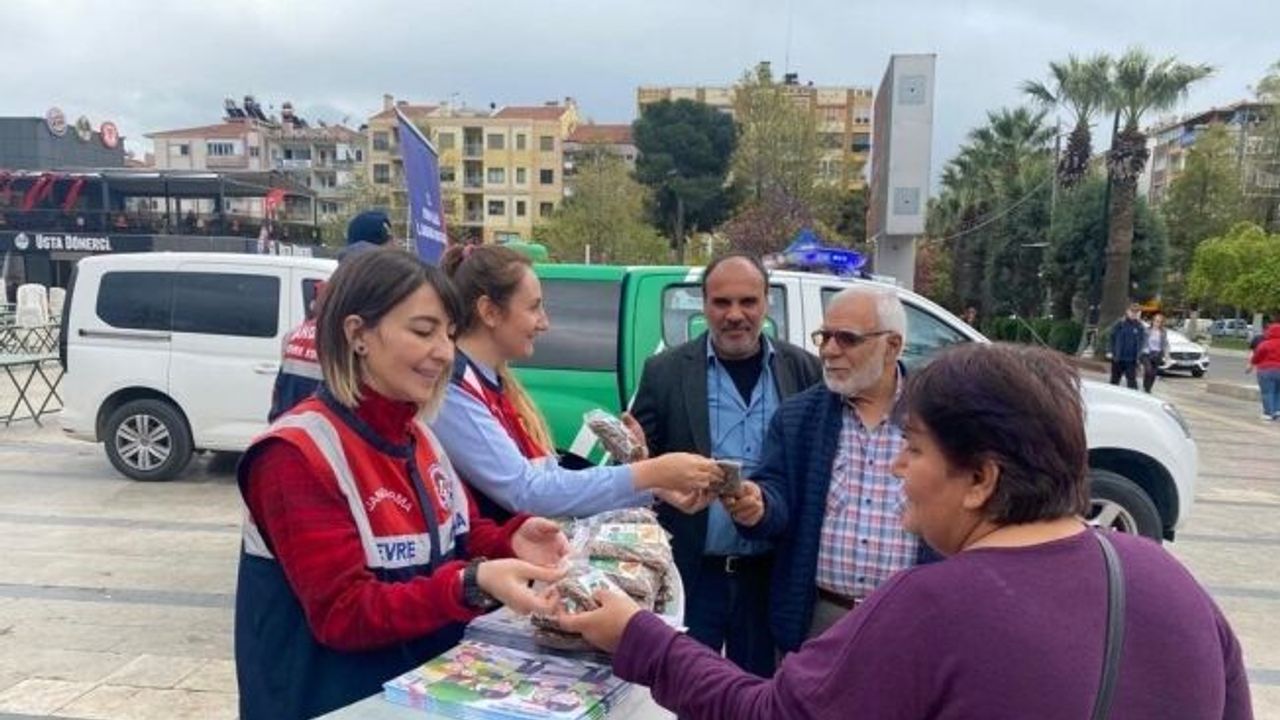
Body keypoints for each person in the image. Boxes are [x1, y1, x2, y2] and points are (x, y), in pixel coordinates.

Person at [558, 343, 1253, 720]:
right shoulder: (1168, 579)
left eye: (915, 449)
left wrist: (638, 636)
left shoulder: (930, 607)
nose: (896, 466)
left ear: (980, 478)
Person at [235, 248, 571, 720]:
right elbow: (344, 614)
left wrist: (510, 539)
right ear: (358, 335)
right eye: (422, 331)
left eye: (449, 335)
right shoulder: (296, 454)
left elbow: (459, 534)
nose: (444, 352)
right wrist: (469, 585)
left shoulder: (420, 436)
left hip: (417, 697)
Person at [630, 254, 822, 677]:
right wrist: (638, 454)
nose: (735, 315)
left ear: (766, 303)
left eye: (748, 301)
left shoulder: (804, 370)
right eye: (722, 303)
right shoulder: (664, 372)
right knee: (686, 690)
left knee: (758, 697)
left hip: (768, 577)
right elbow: (643, 468)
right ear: (704, 305)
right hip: (696, 573)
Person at [430, 243, 720, 521]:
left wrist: (654, 484)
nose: (544, 323)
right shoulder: (453, 391)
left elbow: (548, 479)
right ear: (489, 312)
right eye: (534, 308)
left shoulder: (489, 382)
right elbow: (527, 491)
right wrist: (650, 474)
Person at [724, 286, 939, 653]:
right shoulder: (798, 417)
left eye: (847, 339)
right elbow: (775, 495)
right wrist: (758, 505)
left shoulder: (941, 417)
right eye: (825, 336)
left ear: (892, 345)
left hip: (913, 622)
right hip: (821, 618)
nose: (828, 350)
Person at [267, 210, 395, 421]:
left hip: (293, 441)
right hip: (330, 447)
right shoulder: (368, 338)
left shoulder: (299, 334)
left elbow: (280, 405)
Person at [1247, 322, 1280, 420]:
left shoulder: (1265, 344)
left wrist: (1252, 364)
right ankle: (1277, 411)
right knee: (1278, 391)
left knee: (1267, 392)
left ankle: (1268, 413)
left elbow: (1257, 356)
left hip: (1266, 370)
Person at [1109, 303, 1146, 389]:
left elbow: (1142, 342)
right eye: (1132, 311)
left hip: (1132, 360)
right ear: (1127, 311)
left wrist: (1139, 356)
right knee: (1114, 381)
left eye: (1136, 312)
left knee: (1132, 383)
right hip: (1118, 358)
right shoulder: (1120, 324)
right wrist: (1111, 351)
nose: (1134, 313)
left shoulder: (1140, 326)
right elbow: (1111, 336)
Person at [1141, 311, 1170, 394]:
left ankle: (1148, 389)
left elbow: (1165, 344)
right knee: (1148, 370)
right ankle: (1145, 386)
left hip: (1157, 354)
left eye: (1160, 322)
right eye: (1156, 321)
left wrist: (1167, 357)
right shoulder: (1147, 330)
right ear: (1152, 321)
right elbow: (1142, 341)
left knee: (1153, 374)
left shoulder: (1163, 332)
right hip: (1147, 353)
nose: (1157, 323)